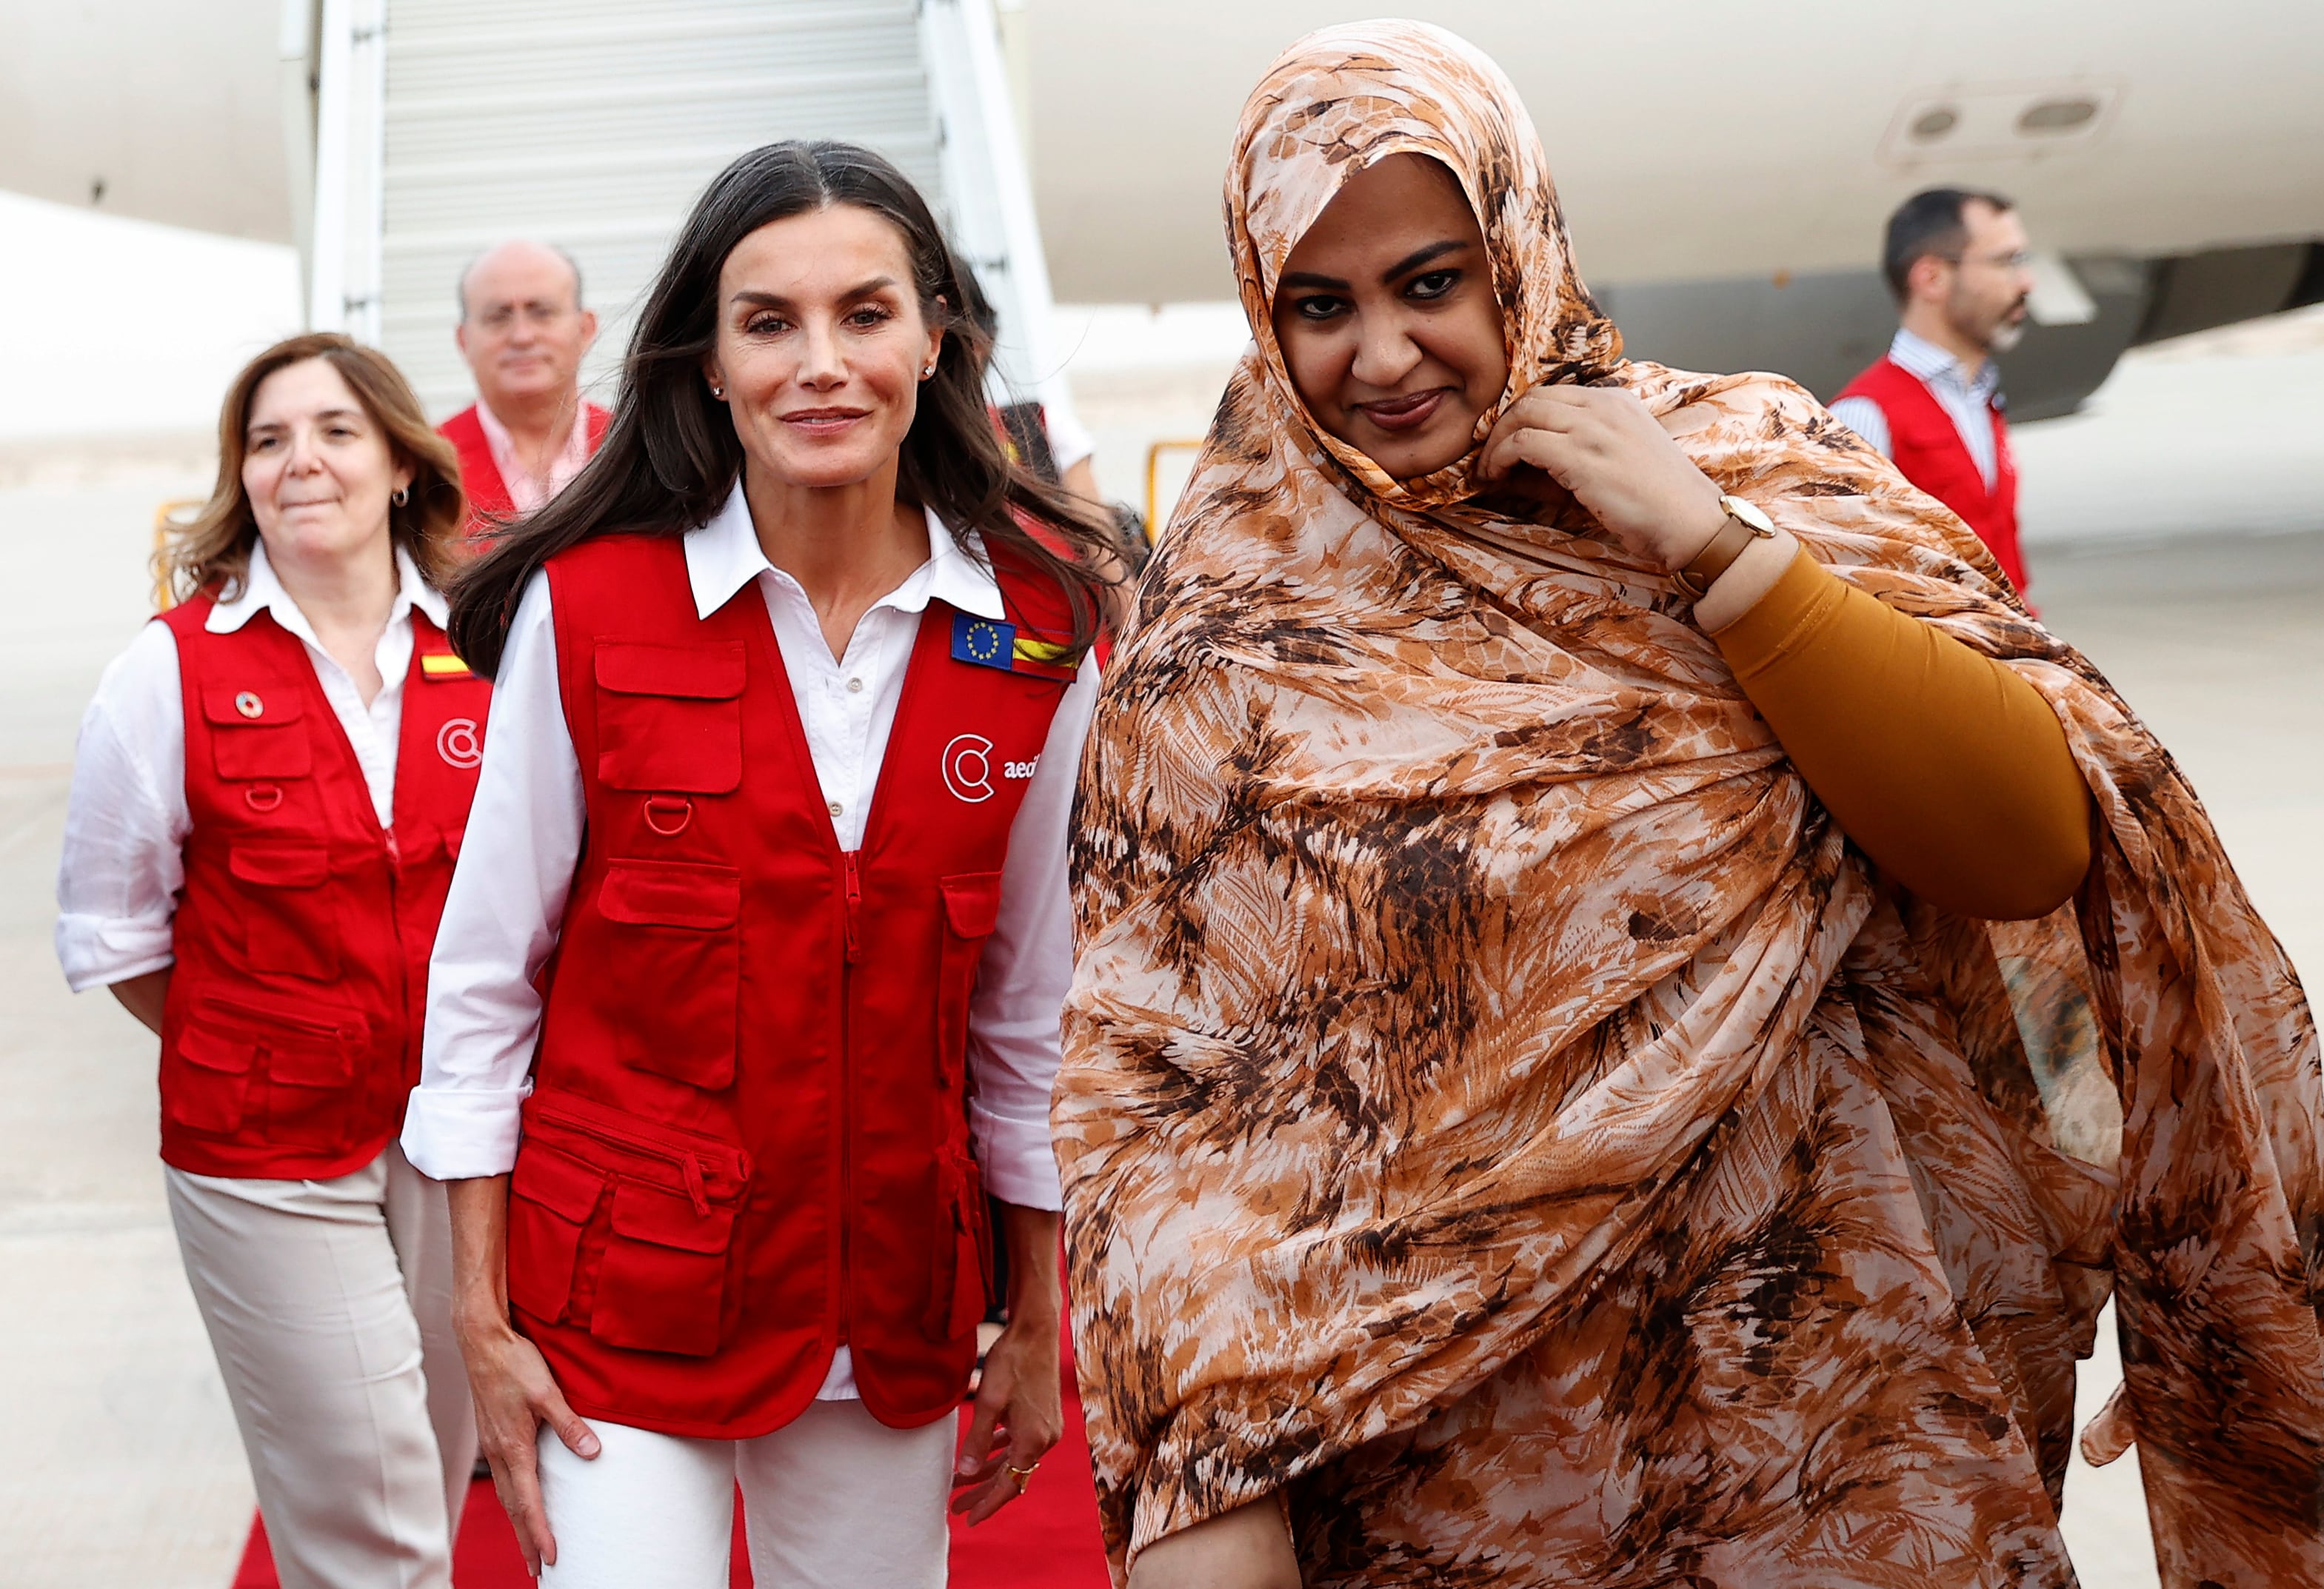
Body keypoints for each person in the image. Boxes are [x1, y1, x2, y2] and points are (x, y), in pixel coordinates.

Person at [1055, 22, 2324, 1589]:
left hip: (1848, 1439)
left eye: (1431, 282)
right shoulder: (1226, 640)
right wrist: (1207, 1486)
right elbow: (1169, 1123)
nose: (1380, 355)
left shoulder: (1753, 463)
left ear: (1518, 248)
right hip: (1467, 1502)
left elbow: (2032, 839)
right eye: (1321, 305)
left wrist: (1711, 548)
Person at [404, 138, 1119, 1587]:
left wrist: (1039, 1314)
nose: (822, 362)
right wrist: (479, 1328)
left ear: (937, 338)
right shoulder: (589, 609)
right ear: (711, 362)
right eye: (769, 321)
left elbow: (1031, 1010)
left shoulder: (1041, 628)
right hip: (619, 1299)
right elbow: (484, 991)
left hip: (893, 1302)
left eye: (865, 314)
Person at [54, 332, 487, 1588]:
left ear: (403, 464)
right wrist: (271, 1040)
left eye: (336, 431)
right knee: (378, 1527)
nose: (302, 460)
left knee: (430, 1476)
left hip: (459, 1143)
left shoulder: (494, 645)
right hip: (269, 1156)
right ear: (239, 478)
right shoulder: (167, 671)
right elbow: (122, 936)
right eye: (267, 438)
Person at [1830, 188, 2037, 601]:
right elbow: (1846, 582)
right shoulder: (1864, 415)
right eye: (2005, 262)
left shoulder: (1980, 397)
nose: (2026, 282)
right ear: (1931, 278)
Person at [441, 239, 611, 536]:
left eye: (542, 312)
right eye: (498, 316)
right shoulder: (427, 467)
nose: (522, 336)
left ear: (585, 329)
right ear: (463, 341)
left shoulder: (640, 451)